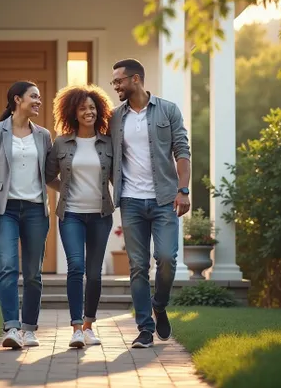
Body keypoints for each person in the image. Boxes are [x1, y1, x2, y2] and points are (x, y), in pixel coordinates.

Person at [109, 58, 191, 348]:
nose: (115, 86)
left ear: (135, 80)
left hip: (165, 199)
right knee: (137, 266)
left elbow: (182, 150)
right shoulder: (115, 117)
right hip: (130, 201)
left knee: (167, 259)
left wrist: (183, 189)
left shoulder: (167, 110)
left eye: (118, 80)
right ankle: (145, 328)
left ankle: (160, 304)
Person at [0, 81, 57, 350]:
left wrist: (77, 188)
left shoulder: (44, 135)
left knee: (33, 273)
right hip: (6, 210)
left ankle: (29, 329)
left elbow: (50, 175)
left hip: (37, 210)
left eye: (39, 97)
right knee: (8, 267)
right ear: (17, 99)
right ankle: (12, 328)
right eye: (33, 97)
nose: (38, 101)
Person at [46, 85, 114, 348]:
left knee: (95, 274)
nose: (89, 112)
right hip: (71, 214)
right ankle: (75, 327)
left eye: (92, 107)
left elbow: (117, 175)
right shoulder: (61, 142)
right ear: (73, 112)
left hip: (100, 215)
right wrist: (65, 188)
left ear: (100, 111)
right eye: (83, 108)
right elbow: (49, 175)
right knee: (76, 267)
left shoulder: (108, 142)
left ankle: (88, 326)